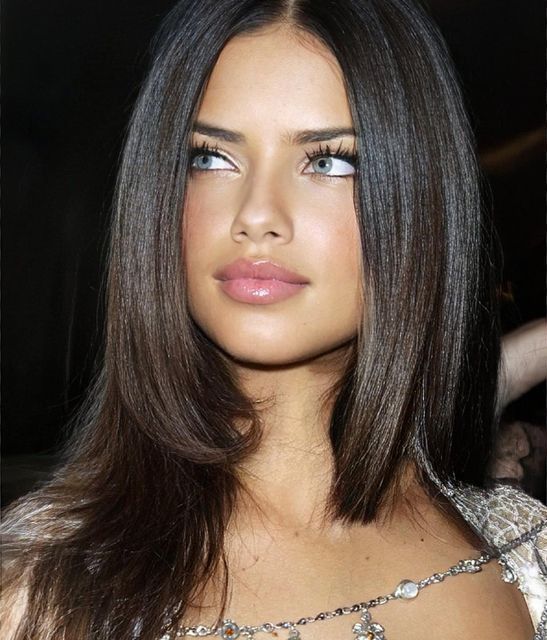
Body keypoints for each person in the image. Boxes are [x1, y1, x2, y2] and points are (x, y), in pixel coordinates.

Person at [2, 1, 546, 638]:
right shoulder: (39, 592)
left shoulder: (519, 548)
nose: (256, 214)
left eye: (329, 161)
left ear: (420, 202)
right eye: (209, 157)